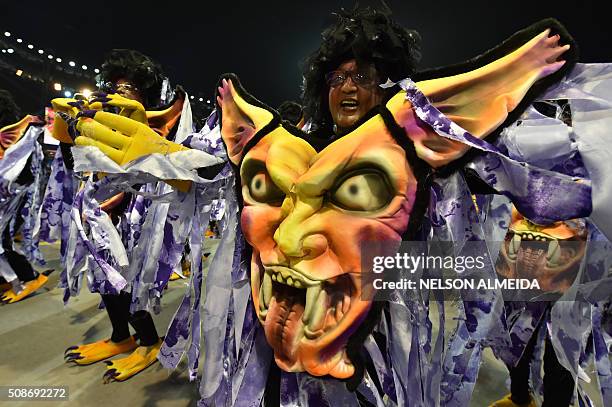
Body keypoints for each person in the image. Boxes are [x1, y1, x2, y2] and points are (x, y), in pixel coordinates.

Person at [65, 6, 611, 406]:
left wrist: (395, 268)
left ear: (390, 85)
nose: (348, 87)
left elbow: (518, 200)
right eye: (337, 77)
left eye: (364, 77)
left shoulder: (423, 157)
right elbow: (213, 175)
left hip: (381, 345)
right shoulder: (298, 144)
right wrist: (166, 159)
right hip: (280, 331)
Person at [55, 49, 193, 382]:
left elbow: (182, 177)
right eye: (116, 85)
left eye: (128, 87)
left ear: (145, 94)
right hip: (103, 217)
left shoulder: (157, 129)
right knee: (106, 280)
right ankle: (121, 337)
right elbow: (76, 167)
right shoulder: (102, 124)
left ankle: (148, 341)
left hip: (144, 218)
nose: (119, 92)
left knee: (133, 283)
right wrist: (66, 129)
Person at [0, 89, 50, 303]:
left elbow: (21, 172)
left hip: (14, 196)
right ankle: (7, 276)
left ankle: (29, 277)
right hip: (11, 195)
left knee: (4, 240)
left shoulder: (19, 134)